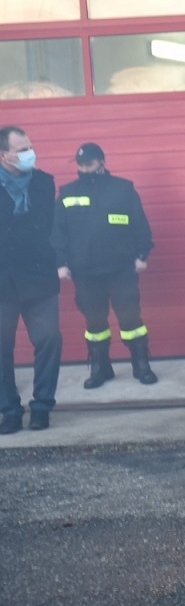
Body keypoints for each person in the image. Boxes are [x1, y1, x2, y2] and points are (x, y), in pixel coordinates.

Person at [53, 143, 158, 388]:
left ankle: (141, 365)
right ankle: (101, 368)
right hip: (85, 271)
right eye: (80, 164)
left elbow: (139, 223)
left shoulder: (123, 189)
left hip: (121, 268)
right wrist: (60, 262)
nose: (84, 168)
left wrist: (143, 254)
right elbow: (57, 231)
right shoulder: (67, 193)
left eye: (88, 163)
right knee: (94, 323)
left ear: (101, 162)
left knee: (131, 319)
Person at [0, 126, 62, 433]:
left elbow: (53, 227)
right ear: (4, 155)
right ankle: (9, 410)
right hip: (3, 280)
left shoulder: (44, 183)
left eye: (30, 147)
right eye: (22, 149)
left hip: (39, 277)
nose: (30, 154)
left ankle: (42, 407)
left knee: (49, 339)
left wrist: (60, 262)